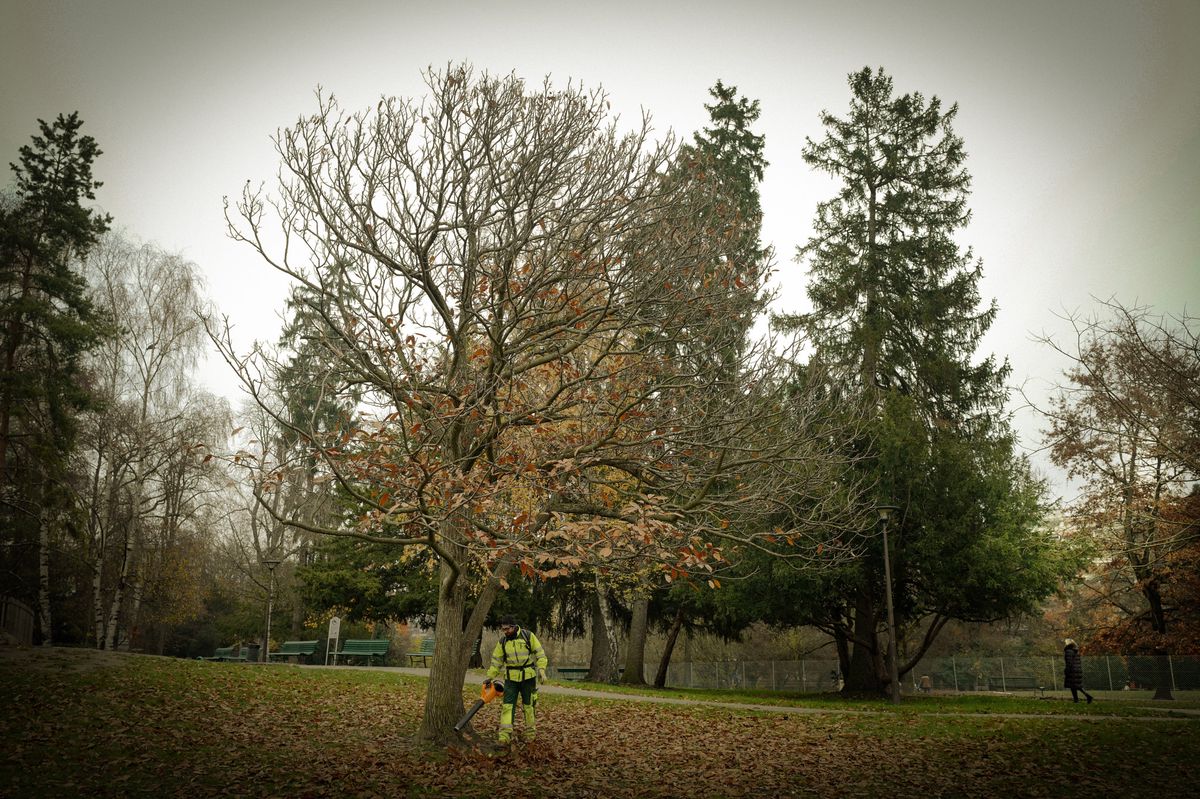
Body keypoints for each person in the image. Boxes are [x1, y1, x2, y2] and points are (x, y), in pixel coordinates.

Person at [485, 617, 548, 744]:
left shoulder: (528, 636)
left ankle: (530, 733)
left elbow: (540, 654)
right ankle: (504, 735)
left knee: (529, 706)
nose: (505, 631)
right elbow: (496, 661)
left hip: (528, 678)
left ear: (514, 627)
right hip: (510, 679)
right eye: (503, 629)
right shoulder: (503, 642)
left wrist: (541, 670)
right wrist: (490, 676)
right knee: (507, 706)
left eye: (507, 629)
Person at [1063, 638, 1094, 704]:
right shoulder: (1075, 651)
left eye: (1065, 642)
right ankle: (1078, 699)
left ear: (1068, 643)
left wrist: (1067, 670)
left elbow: (1069, 662)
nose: (1064, 643)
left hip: (1072, 671)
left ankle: (1084, 698)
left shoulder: (1068, 651)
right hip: (1077, 670)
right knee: (1075, 686)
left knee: (1075, 686)